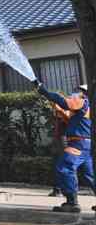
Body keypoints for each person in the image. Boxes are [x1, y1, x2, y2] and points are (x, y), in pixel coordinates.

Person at [35, 82, 93, 212]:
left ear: (84, 94)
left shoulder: (83, 102)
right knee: (91, 174)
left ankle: (72, 203)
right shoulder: (88, 107)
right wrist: (61, 111)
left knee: (65, 167)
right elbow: (75, 122)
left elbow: (65, 102)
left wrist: (44, 91)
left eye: (78, 91)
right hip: (87, 144)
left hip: (78, 143)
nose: (75, 93)